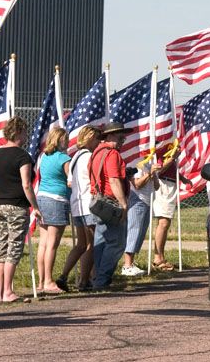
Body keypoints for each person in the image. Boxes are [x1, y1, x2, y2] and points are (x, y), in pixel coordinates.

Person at [0, 117, 42, 303]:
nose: (26, 135)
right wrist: (35, 207)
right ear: (18, 132)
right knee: (14, 247)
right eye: (25, 131)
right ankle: (8, 291)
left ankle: (1, 292)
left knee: (2, 247)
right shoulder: (22, 156)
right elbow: (26, 184)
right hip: (17, 206)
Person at [56, 125, 102, 292]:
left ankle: (64, 275)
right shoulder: (89, 156)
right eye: (97, 139)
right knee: (91, 244)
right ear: (90, 138)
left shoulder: (74, 157)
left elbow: (70, 181)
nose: (98, 142)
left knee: (81, 244)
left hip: (76, 204)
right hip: (88, 204)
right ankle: (84, 280)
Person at [90, 122, 132, 291]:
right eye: (119, 135)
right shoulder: (112, 154)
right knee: (116, 244)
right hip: (111, 203)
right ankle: (102, 280)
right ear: (109, 136)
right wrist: (123, 204)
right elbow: (114, 180)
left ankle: (97, 278)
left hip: (99, 202)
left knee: (101, 241)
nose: (123, 138)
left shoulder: (96, 153)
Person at [36, 127, 71, 294]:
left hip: (41, 197)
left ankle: (41, 281)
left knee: (43, 243)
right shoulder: (64, 158)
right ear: (61, 140)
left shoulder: (44, 156)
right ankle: (49, 281)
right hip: (57, 199)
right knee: (52, 244)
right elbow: (70, 180)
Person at [152, 146, 192, 271]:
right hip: (163, 185)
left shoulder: (169, 145)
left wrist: (182, 178)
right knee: (163, 222)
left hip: (170, 184)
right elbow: (159, 169)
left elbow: (169, 167)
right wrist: (173, 158)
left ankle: (160, 256)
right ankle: (158, 258)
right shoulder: (160, 147)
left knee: (165, 222)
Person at [122, 158, 161, 276]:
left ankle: (131, 263)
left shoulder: (151, 163)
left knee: (140, 233)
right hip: (137, 200)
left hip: (148, 202)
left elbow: (157, 186)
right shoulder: (137, 163)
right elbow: (137, 184)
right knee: (133, 231)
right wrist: (149, 173)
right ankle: (127, 265)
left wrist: (153, 175)